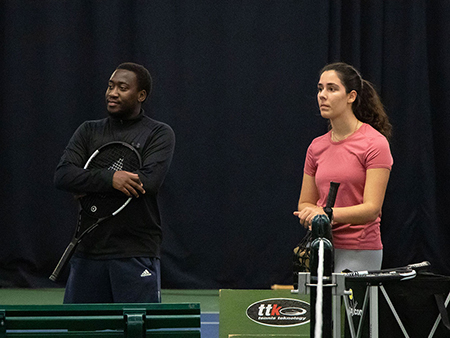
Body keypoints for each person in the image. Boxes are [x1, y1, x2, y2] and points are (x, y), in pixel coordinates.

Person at [54, 62, 175, 303]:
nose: (113, 93)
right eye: (110, 86)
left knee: (137, 328)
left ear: (141, 95)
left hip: (135, 251)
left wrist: (88, 186)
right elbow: (63, 175)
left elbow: (148, 182)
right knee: (80, 331)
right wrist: (111, 178)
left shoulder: (159, 133)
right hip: (88, 252)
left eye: (122, 87)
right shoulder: (88, 131)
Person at [294, 62, 393, 273]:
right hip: (320, 247)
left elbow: (371, 209)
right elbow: (305, 202)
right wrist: (309, 214)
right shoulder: (316, 146)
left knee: (346, 307)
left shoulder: (374, 143)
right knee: (320, 307)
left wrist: (326, 213)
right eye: (320, 89)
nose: (322, 95)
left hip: (360, 250)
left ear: (351, 96)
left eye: (332, 89)